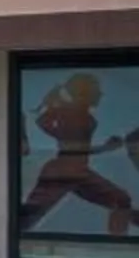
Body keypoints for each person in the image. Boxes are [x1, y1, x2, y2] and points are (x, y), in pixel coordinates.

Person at [18, 72, 133, 236]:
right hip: (66, 171)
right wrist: (106, 148)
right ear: (85, 93)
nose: (100, 94)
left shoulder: (81, 115)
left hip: (73, 172)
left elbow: (50, 127)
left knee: (122, 201)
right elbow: (73, 146)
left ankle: (119, 242)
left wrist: (53, 106)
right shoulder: (75, 115)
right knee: (27, 218)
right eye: (97, 90)